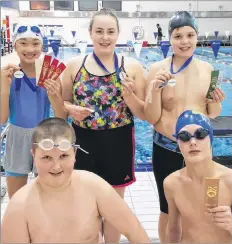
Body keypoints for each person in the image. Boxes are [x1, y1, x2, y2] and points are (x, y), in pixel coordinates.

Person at [61, 8, 146, 243]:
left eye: (110, 31)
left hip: (118, 140)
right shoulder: (74, 65)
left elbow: (143, 113)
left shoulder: (133, 67)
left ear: (118, 34)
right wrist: (70, 108)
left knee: (114, 205)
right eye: (99, 31)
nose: (105, 37)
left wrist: (130, 96)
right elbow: (63, 101)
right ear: (90, 33)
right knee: (84, 203)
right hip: (83, 140)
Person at [1, 117, 151, 244]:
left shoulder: (94, 187)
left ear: (74, 153)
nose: (56, 166)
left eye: (63, 156)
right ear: (33, 155)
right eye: (47, 157)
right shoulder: (20, 207)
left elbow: (136, 232)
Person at [144, 11, 225, 242]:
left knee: (209, 201)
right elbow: (151, 117)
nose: (185, 41)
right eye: (178, 36)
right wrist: (155, 90)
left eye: (190, 35)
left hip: (201, 148)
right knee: (167, 208)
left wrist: (216, 101)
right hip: (167, 147)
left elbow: (213, 114)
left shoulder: (209, 70)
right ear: (169, 38)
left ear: (196, 37)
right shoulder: (157, 69)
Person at [1, 24, 67, 199]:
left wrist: (54, 95)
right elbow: (2, 119)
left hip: (43, 137)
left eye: (35, 44)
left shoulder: (50, 74)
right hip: (16, 137)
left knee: (46, 197)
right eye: (23, 43)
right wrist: (4, 87)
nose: (30, 49)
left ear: (42, 47)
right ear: (14, 46)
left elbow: (61, 117)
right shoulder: (7, 76)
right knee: (16, 199)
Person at [164, 110, 232, 243]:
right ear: (178, 143)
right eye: (184, 136)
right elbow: (173, 229)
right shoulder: (172, 183)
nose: (193, 142)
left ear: (211, 139)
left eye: (200, 134)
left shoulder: (230, 180)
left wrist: (231, 225)